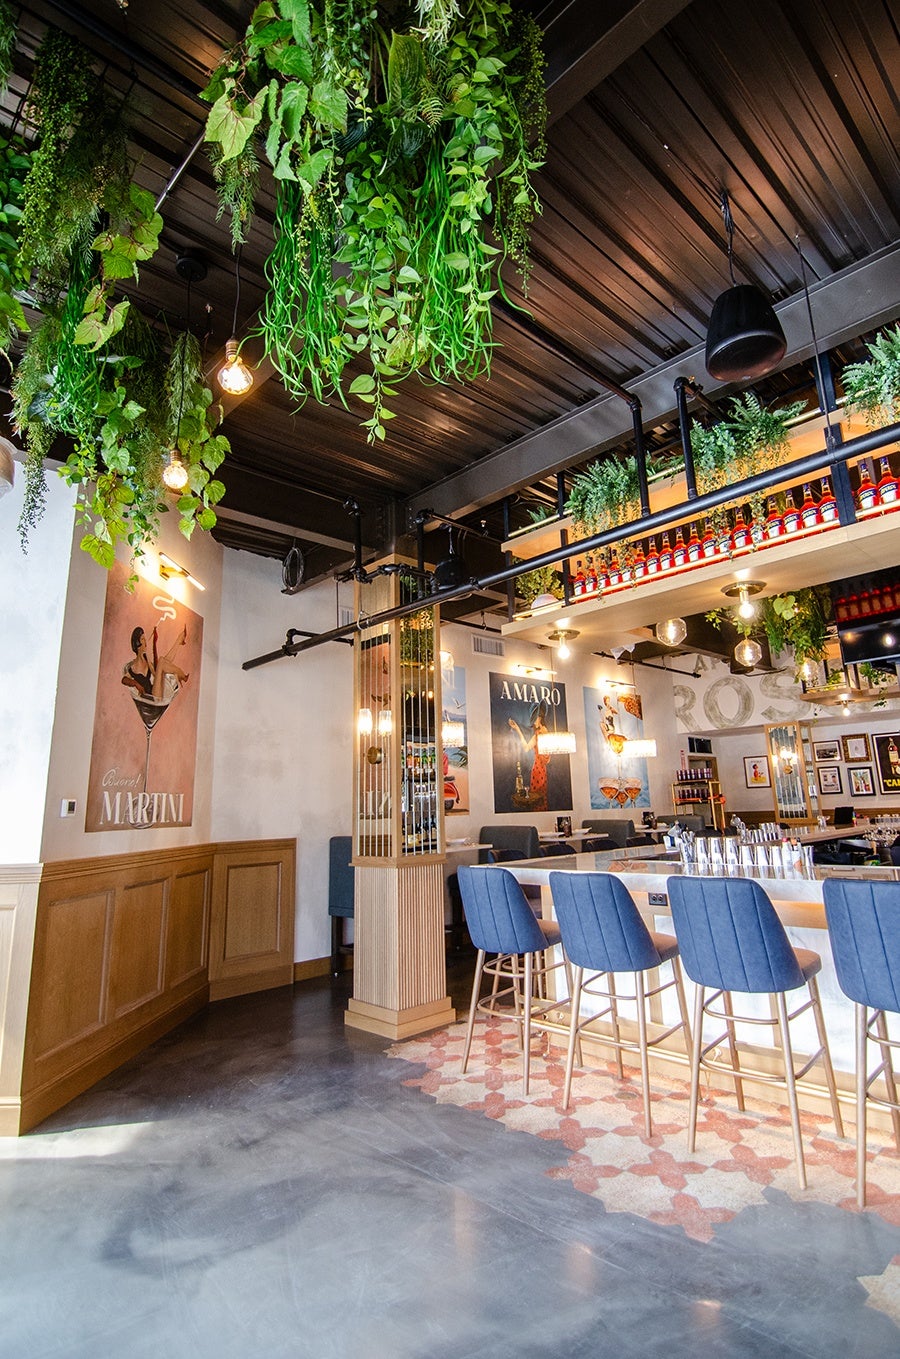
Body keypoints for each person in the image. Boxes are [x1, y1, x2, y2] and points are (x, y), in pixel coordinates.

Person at [122, 623, 189, 700]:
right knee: (162, 662)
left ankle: (179, 640)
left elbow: (155, 673)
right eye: (142, 639)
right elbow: (124, 680)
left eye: (145, 639)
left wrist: (154, 643)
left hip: (155, 692)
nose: (145, 642)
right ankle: (183, 676)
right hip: (151, 698)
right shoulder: (133, 668)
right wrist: (136, 684)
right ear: (137, 643)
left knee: (162, 662)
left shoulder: (146, 658)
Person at [508, 702, 550, 811]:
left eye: (535, 719)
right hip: (537, 770)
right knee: (536, 798)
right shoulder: (538, 735)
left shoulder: (544, 734)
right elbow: (526, 748)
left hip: (541, 770)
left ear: (540, 718)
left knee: (540, 797)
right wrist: (517, 729)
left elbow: (547, 757)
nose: (534, 723)